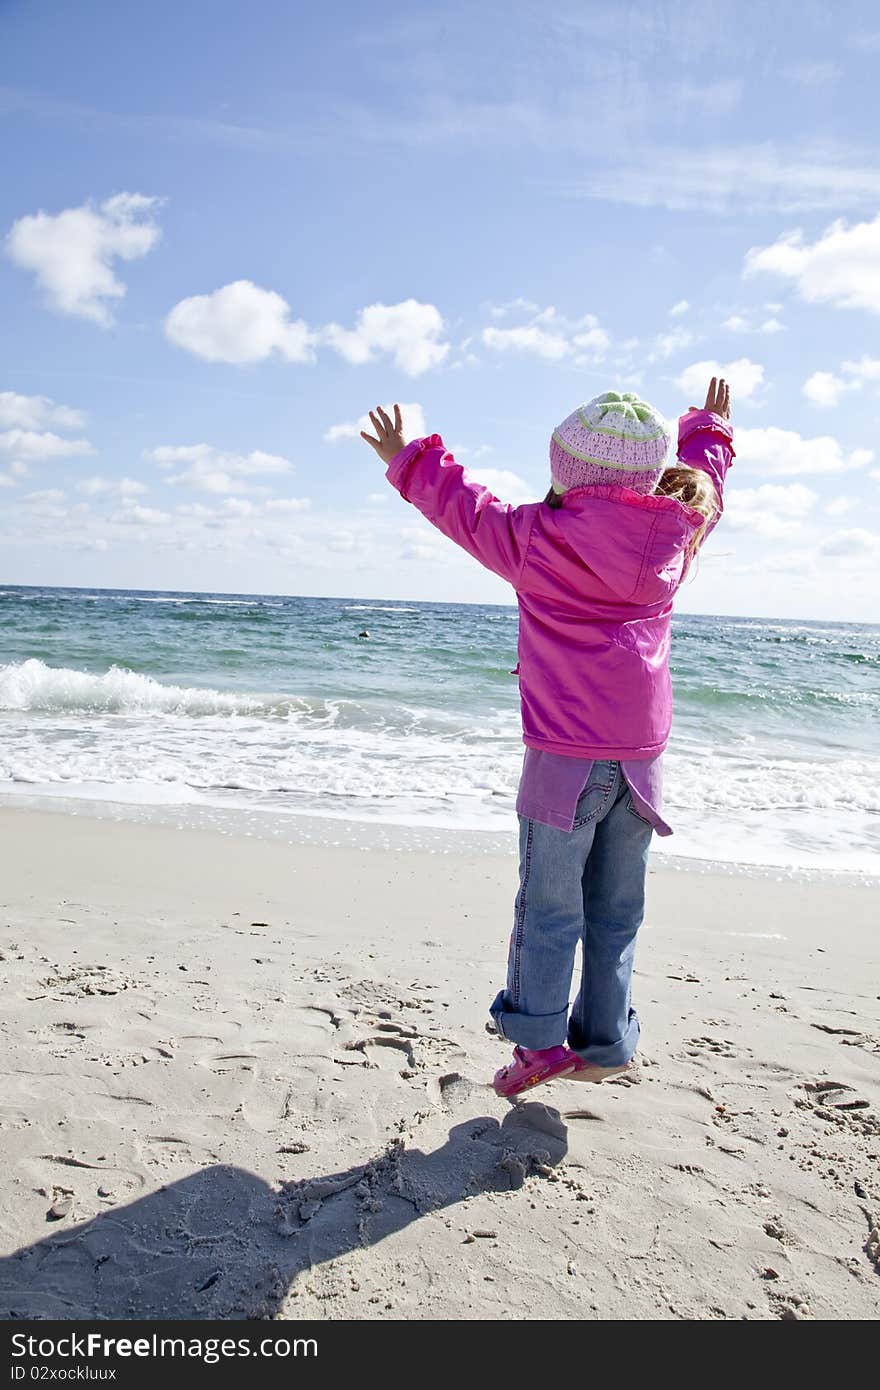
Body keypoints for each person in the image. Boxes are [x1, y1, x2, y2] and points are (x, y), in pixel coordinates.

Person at [361, 381, 734, 1097]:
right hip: (643, 761)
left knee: (549, 907)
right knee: (617, 909)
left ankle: (538, 1045)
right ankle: (605, 1041)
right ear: (651, 475)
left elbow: (460, 506)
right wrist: (710, 430)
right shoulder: (682, 526)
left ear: (565, 470)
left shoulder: (537, 537)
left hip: (564, 761)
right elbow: (708, 478)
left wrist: (406, 454)